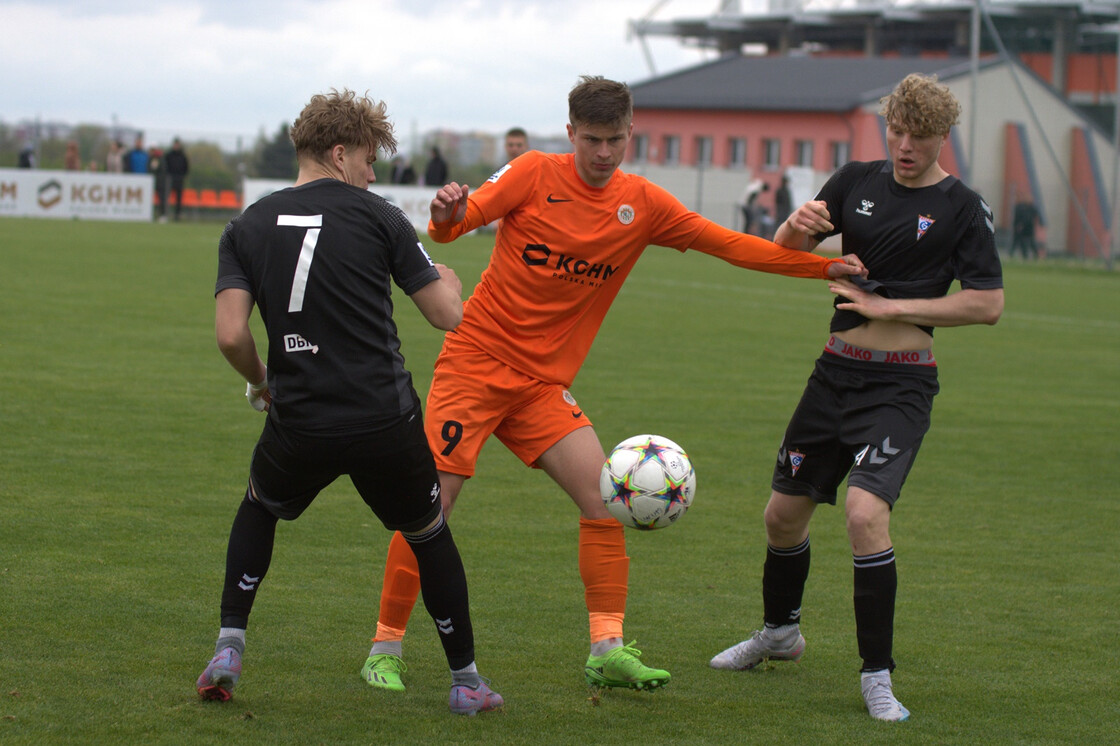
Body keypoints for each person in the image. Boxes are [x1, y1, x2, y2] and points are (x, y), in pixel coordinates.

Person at [360, 75, 866, 695]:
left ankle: (606, 647)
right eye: (593, 140)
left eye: (616, 140)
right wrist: (444, 214)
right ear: (571, 133)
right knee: (430, 507)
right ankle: (385, 646)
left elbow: (730, 245)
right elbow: (452, 229)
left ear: (631, 134)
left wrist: (821, 266)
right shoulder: (532, 173)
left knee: (606, 499)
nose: (604, 153)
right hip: (475, 364)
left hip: (541, 386)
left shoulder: (644, 204)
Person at [197, 88, 503, 716]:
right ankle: (467, 683)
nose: (371, 174)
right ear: (340, 153)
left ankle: (230, 645)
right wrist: (449, 280)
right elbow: (448, 315)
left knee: (259, 507)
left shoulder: (247, 225)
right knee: (427, 533)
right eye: (368, 160)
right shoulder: (381, 216)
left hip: (299, 419)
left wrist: (262, 379)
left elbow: (230, 335)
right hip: (382, 419)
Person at [709, 73, 1004, 723]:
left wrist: (894, 303)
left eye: (918, 137)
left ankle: (877, 676)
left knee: (866, 516)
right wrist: (795, 225)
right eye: (896, 132)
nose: (904, 146)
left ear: (941, 138)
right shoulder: (853, 183)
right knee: (781, 518)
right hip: (834, 374)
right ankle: (779, 634)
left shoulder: (961, 206)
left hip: (900, 385)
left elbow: (987, 303)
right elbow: (781, 255)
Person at [165, 137, 190, 221]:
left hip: (179, 179)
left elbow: (186, 167)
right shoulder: (169, 155)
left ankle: (177, 215)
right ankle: (165, 214)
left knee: (179, 199)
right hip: (170, 179)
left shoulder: (183, 156)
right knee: (167, 197)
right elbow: (166, 166)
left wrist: (182, 175)